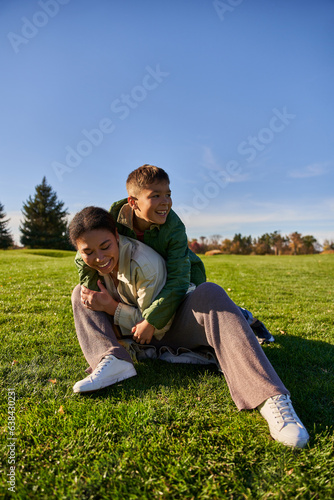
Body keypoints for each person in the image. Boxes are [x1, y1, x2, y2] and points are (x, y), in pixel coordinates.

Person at [69, 206, 309, 449]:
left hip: (170, 324)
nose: (98, 257)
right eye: (88, 251)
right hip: (142, 339)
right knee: (80, 293)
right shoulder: (87, 263)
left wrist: (112, 308)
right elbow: (90, 267)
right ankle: (111, 359)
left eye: (105, 246)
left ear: (117, 238)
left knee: (210, 293)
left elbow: (157, 326)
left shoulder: (143, 263)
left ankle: (268, 395)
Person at [74, 165, 274, 345]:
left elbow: (178, 280)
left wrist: (151, 321)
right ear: (133, 202)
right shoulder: (115, 221)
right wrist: (93, 292)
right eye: (155, 196)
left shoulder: (174, 227)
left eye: (168, 195)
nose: (165, 203)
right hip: (148, 275)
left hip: (181, 275)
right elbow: (82, 253)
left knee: (188, 312)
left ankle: (245, 317)